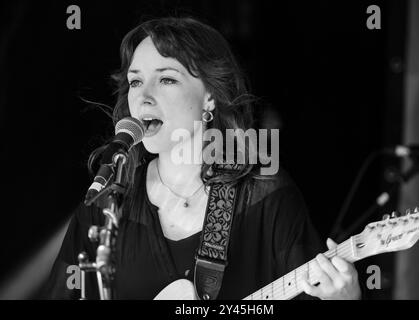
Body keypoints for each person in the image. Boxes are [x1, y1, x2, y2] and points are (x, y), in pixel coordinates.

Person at [43, 16, 361, 300]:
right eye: (136, 81)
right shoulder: (106, 205)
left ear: (209, 95)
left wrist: (344, 299)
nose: (143, 95)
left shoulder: (265, 195)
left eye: (166, 79)